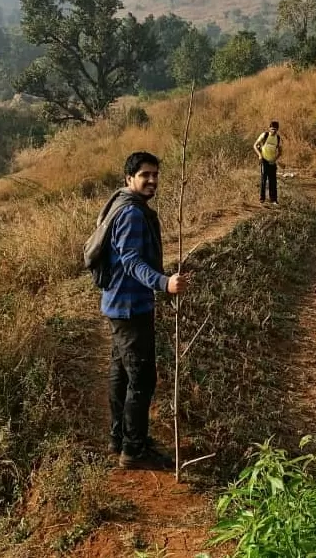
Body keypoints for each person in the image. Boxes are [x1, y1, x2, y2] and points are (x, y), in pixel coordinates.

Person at [101, 151, 187, 470]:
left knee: (121, 373)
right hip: (130, 307)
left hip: (118, 304)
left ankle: (119, 437)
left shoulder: (120, 203)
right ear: (129, 179)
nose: (152, 180)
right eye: (144, 175)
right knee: (143, 378)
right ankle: (133, 450)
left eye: (155, 175)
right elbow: (131, 261)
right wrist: (163, 283)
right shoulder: (132, 214)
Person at [254, 121, 282, 205]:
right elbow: (255, 145)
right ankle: (262, 199)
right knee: (263, 180)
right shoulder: (264, 135)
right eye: (272, 129)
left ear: (277, 129)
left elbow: (280, 152)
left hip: (272, 162)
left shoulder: (278, 138)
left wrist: (275, 159)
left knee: (273, 181)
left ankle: (274, 200)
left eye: (275, 129)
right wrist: (259, 155)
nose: (274, 131)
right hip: (264, 160)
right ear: (269, 128)